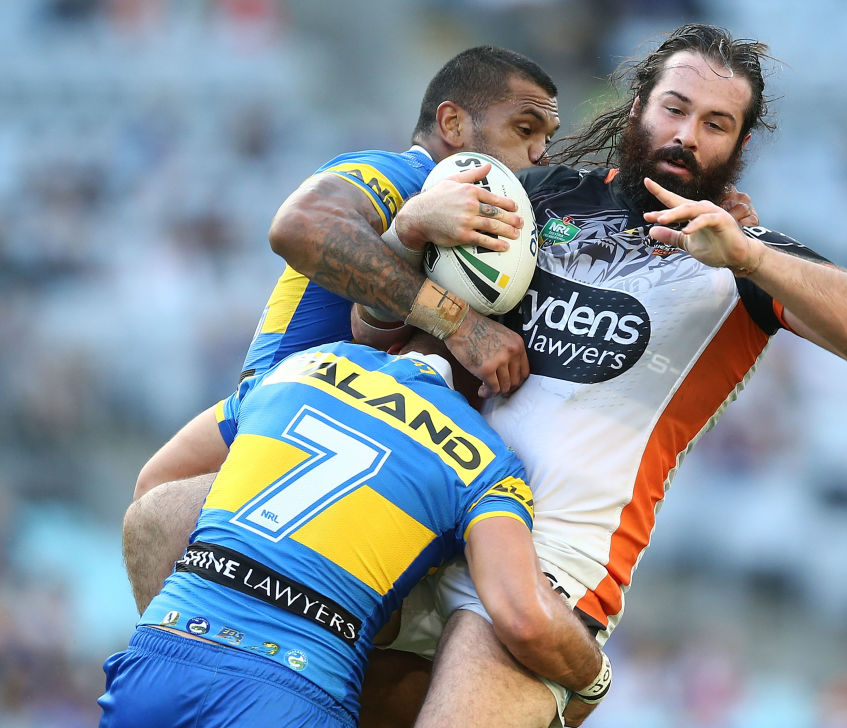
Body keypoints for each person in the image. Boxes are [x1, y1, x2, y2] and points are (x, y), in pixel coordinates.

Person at [350, 22, 847, 728]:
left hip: (553, 561)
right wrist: (410, 232)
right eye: (674, 108)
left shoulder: (743, 260)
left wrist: (750, 257)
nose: (688, 135)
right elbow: (373, 330)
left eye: (717, 124)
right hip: (425, 512)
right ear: (639, 103)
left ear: (740, 147)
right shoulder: (537, 198)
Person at [123, 45, 561, 610]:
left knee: (159, 502)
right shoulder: (407, 173)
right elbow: (300, 225)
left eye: (547, 139)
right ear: (452, 123)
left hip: (338, 433)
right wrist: (457, 322)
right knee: (158, 501)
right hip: (292, 413)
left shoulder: (514, 226)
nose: (537, 153)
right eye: (524, 128)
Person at [99, 331, 608, 728]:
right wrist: (593, 681)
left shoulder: (297, 368)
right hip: (293, 687)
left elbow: (157, 487)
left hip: (159, 656)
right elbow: (521, 616)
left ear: (397, 340)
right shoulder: (487, 460)